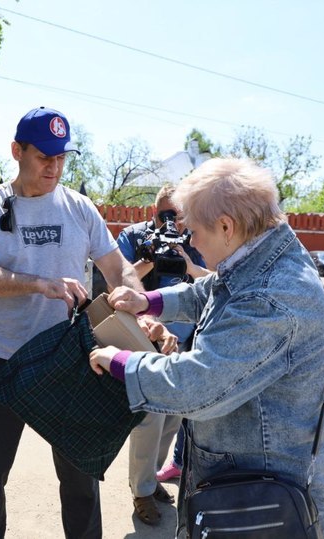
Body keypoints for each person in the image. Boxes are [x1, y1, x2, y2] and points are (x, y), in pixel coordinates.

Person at [89, 158, 324, 539]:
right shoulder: (262, 256)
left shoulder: (273, 299)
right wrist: (149, 301)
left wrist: (122, 362)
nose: (190, 243)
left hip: (275, 505)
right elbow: (211, 290)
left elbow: (197, 387)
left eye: (194, 232)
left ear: (227, 227)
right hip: (254, 487)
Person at [0, 106, 147, 539]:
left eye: (61, 157)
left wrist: (135, 299)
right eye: (44, 156)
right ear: (16, 151)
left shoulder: (80, 208)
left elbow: (119, 269)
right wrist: (40, 284)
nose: (54, 166)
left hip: (68, 360)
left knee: (81, 478)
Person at [115, 184, 208, 525]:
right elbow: (116, 282)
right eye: (164, 214)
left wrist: (186, 259)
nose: (171, 222)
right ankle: (140, 491)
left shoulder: (193, 241)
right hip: (142, 336)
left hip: (182, 341)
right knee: (150, 418)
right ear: (152, 213)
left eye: (177, 216)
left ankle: (151, 477)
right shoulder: (134, 236)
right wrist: (149, 257)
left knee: (173, 416)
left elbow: (206, 283)